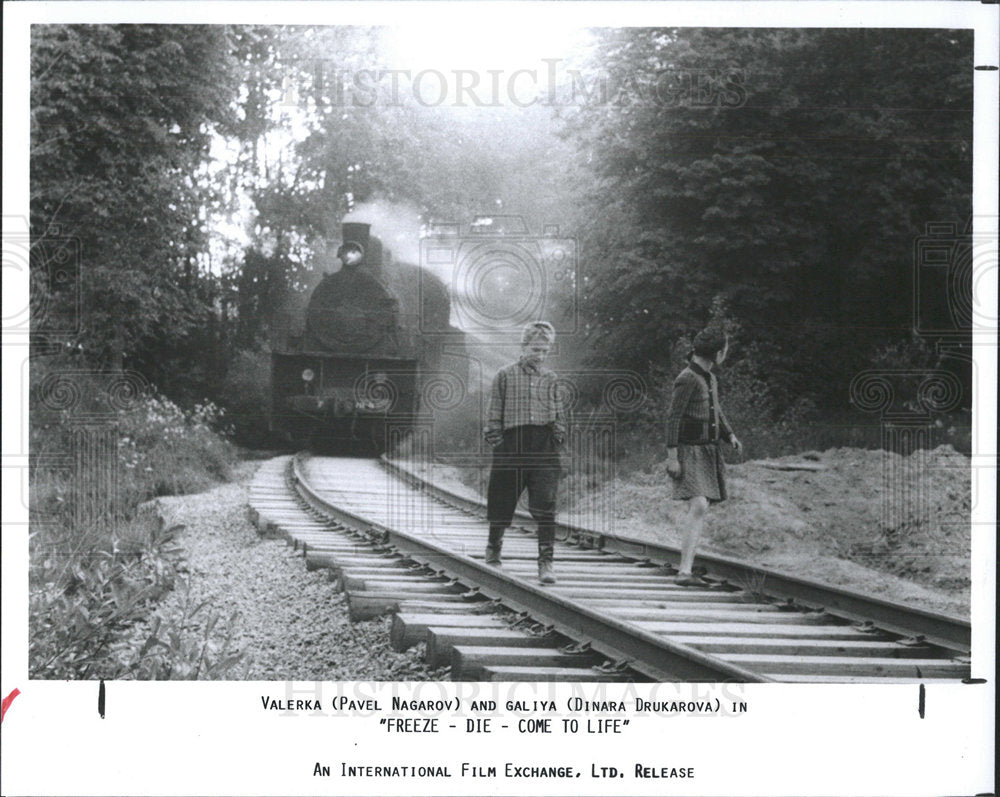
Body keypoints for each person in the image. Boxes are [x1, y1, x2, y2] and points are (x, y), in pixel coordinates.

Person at [483, 321, 566, 584]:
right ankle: (494, 548)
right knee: (502, 499)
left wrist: (557, 436)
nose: (540, 355)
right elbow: (494, 412)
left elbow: (559, 413)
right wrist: (498, 442)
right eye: (535, 349)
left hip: (543, 447)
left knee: (546, 504)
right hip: (511, 445)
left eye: (544, 351)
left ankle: (546, 562)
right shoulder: (504, 375)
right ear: (524, 346)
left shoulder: (551, 378)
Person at [665, 329, 742, 586]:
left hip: (709, 450)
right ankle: (684, 572)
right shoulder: (686, 378)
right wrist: (672, 456)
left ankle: (686, 569)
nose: (726, 354)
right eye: (725, 350)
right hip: (690, 451)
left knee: (701, 506)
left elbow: (715, 411)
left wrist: (729, 434)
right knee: (698, 505)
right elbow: (673, 418)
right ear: (717, 353)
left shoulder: (709, 378)